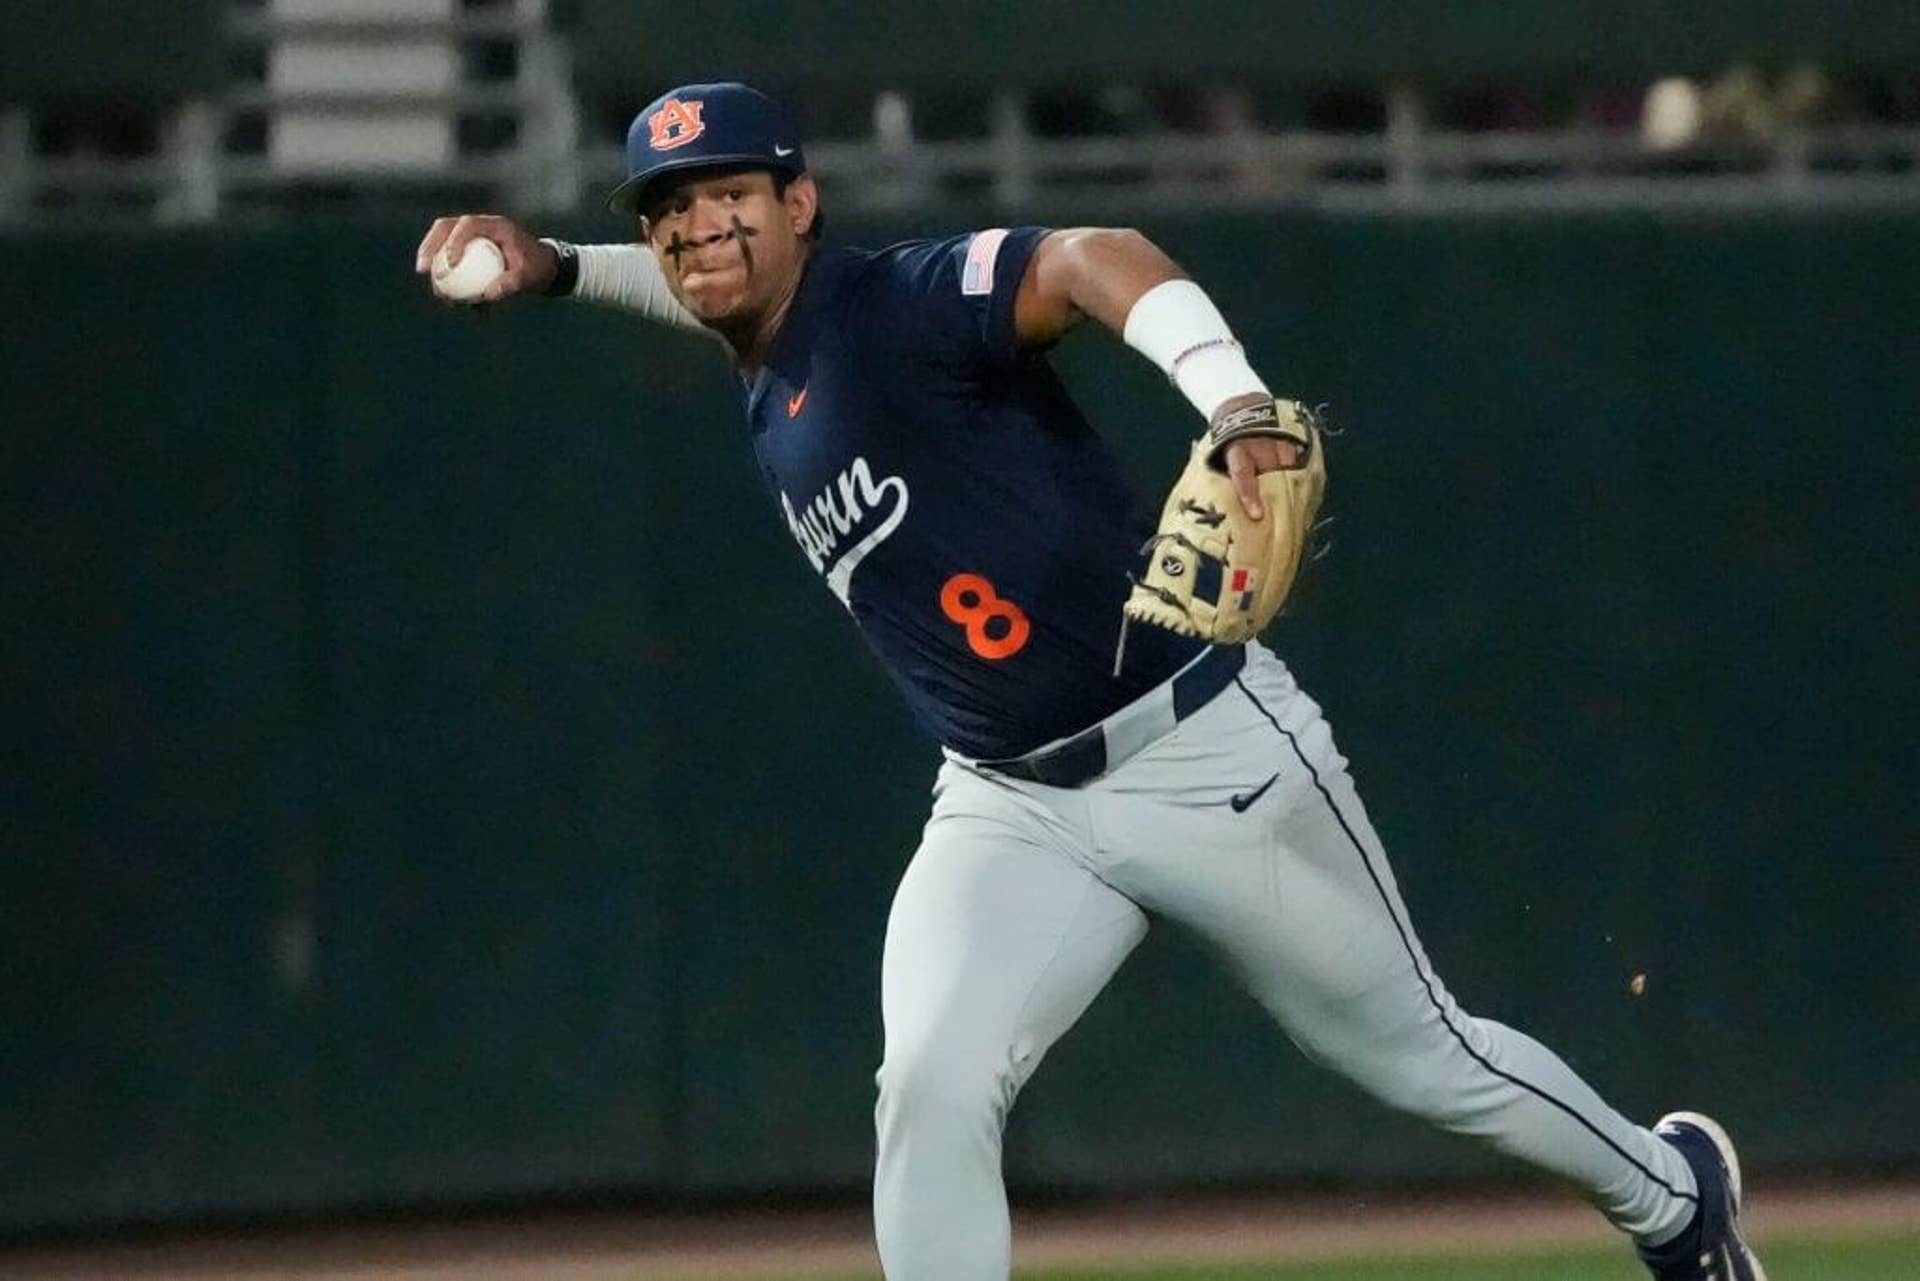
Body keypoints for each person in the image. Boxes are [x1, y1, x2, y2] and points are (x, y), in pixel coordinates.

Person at [415, 82, 1766, 1281]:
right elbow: (698, 292)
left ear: (801, 201)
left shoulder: (887, 305)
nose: (697, 228)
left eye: (727, 196)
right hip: (1006, 802)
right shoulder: (764, 347)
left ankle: (1672, 1197)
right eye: (669, 208)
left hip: (1202, 751)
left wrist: (1229, 398)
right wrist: (548, 268)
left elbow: (1095, 257)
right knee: (932, 1084)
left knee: (1427, 1056)